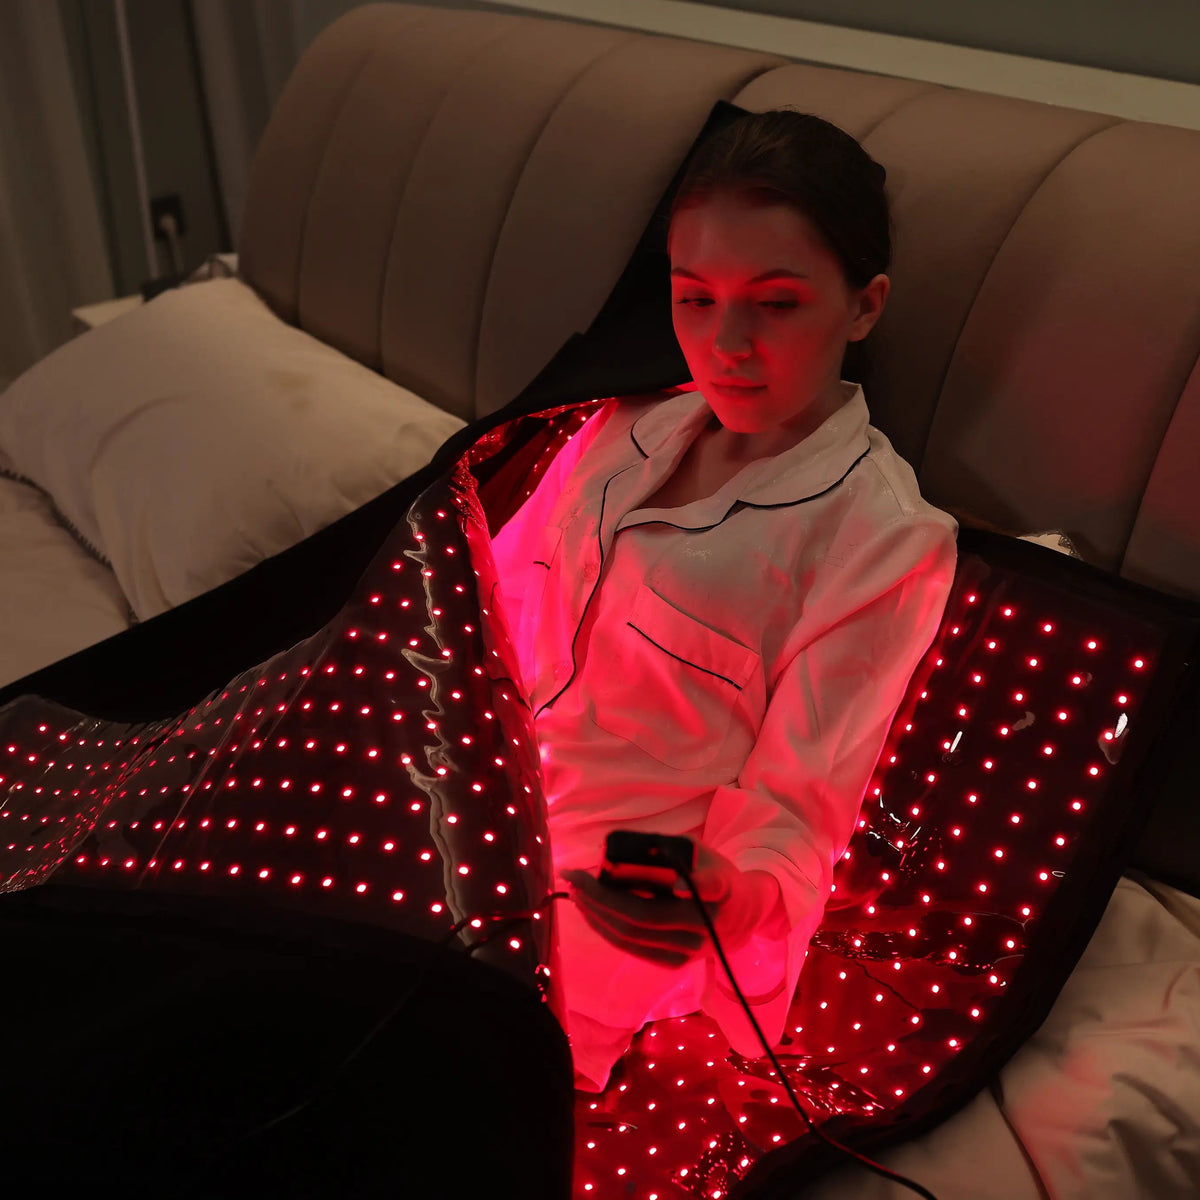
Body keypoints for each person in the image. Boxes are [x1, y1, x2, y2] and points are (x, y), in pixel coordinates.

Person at [489, 108, 959, 1093]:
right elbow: (475, 612)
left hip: (601, 924)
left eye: (776, 304)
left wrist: (727, 899)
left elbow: (803, 807)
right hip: (456, 829)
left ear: (865, 306)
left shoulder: (883, 541)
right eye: (694, 299)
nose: (725, 344)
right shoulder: (619, 432)